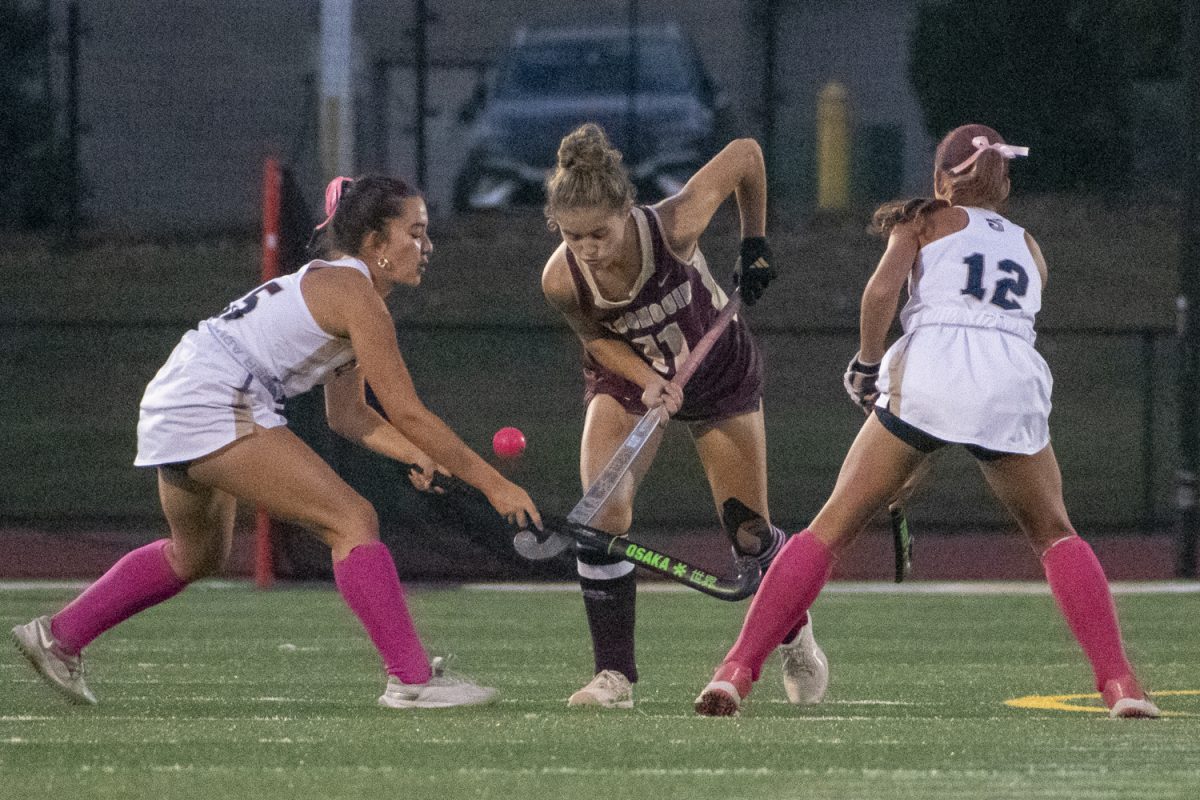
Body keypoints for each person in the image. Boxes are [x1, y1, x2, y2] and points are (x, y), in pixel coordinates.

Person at [12, 174, 542, 709]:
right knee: (352, 520)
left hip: (182, 387)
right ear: (376, 244)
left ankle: (58, 636)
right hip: (216, 394)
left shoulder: (344, 288)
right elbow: (406, 410)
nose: (427, 247)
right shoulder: (355, 294)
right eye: (415, 233)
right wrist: (495, 485)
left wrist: (416, 455)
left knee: (195, 554)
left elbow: (350, 415)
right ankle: (411, 680)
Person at [694, 124, 1160, 719]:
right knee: (1055, 533)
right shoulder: (1030, 246)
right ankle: (1120, 684)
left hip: (932, 367)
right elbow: (988, 335)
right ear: (1006, 186)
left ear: (942, 181)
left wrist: (867, 366)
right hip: (1010, 375)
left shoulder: (922, 219)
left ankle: (735, 670)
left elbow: (881, 292)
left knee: (830, 527)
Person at [541, 123, 829, 709]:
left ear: (627, 210)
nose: (589, 249)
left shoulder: (673, 225)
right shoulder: (561, 279)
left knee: (750, 536)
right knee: (601, 513)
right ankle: (613, 677)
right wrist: (647, 380)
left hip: (718, 369)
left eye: (600, 233)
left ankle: (795, 636)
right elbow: (596, 340)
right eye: (574, 237)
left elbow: (747, 153)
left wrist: (755, 243)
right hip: (628, 378)